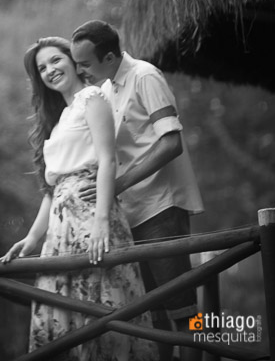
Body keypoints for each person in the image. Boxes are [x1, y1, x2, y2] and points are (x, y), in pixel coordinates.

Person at [0, 36, 158, 361]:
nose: (50, 70)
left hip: (92, 217)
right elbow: (53, 189)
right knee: (63, 315)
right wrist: (32, 237)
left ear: (73, 60)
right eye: (42, 68)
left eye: (56, 60)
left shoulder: (92, 97)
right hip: (59, 231)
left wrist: (101, 222)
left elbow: (107, 160)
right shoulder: (58, 123)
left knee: (104, 307)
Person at [70, 20, 203, 361]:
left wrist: (120, 184)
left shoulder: (144, 76)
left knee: (183, 309)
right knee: (151, 313)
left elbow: (171, 141)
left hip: (160, 207)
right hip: (129, 215)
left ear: (110, 56)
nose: (79, 70)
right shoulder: (109, 88)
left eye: (84, 63)